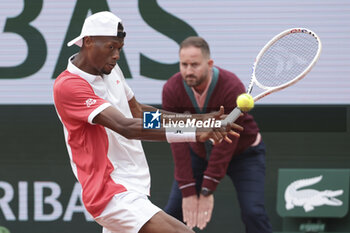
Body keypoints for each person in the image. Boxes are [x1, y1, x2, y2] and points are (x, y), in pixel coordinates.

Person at [53, 12, 242, 233]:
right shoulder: (68, 85)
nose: (116, 55)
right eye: (111, 47)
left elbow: (140, 115)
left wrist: (199, 119)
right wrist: (194, 130)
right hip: (110, 192)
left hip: (134, 186)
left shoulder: (112, 71)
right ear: (88, 41)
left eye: (119, 49)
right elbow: (127, 127)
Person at [162, 36, 273, 233]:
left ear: (209, 63)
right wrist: (187, 190)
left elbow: (226, 143)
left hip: (244, 155)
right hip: (198, 154)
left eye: (194, 64)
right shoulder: (171, 89)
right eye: (184, 64)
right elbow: (177, 140)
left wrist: (207, 190)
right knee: (171, 214)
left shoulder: (231, 87)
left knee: (253, 212)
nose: (188, 70)